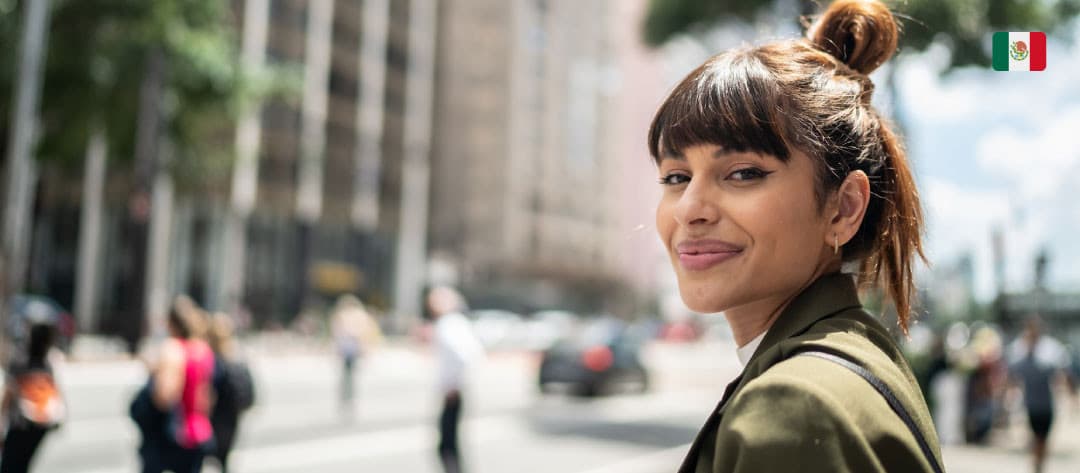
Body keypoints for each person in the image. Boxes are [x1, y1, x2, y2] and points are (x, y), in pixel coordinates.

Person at [647, 0, 943, 471]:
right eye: (675, 177)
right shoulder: (856, 353)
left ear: (843, 208)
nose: (689, 210)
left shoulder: (794, 406)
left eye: (743, 173)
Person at [135, 296, 216, 473]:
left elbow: (164, 396)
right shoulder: (203, 350)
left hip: (175, 433)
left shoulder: (172, 349)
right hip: (199, 430)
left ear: (171, 323)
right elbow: (207, 397)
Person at [1007, 315, 1076, 473]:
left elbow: (1064, 372)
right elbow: (1012, 375)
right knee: (1037, 438)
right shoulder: (1021, 352)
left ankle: (1039, 464)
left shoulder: (1049, 351)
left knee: (1043, 439)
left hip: (1046, 405)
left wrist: (1071, 392)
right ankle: (1038, 464)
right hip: (1032, 405)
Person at [427, 286, 484, 473]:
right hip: (456, 389)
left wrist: (453, 385)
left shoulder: (449, 324)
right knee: (450, 442)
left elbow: (464, 355)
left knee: (447, 444)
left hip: (453, 391)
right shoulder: (458, 322)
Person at [0, 322, 64, 473]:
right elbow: (55, 391)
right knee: (24, 463)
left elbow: (9, 393)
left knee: (10, 465)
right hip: (41, 423)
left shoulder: (20, 362)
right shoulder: (49, 362)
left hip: (21, 423)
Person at [206, 313, 256, 473]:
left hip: (215, 415)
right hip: (232, 415)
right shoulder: (237, 354)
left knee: (206, 457)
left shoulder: (213, 359)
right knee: (224, 459)